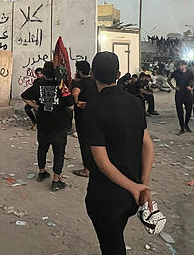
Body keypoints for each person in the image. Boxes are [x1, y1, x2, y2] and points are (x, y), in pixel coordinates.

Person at [81, 51, 156, 255]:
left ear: (93, 74)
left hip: (107, 196)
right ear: (118, 74)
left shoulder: (93, 109)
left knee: (112, 247)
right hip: (130, 196)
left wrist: (135, 187)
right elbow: (148, 145)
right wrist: (142, 184)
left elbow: (102, 162)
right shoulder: (136, 102)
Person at [21, 61, 75, 192]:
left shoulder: (38, 85)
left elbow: (24, 96)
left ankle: (42, 172)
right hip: (58, 125)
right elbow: (70, 105)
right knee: (59, 152)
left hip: (43, 123)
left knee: (42, 148)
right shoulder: (62, 87)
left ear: (44, 73)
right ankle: (56, 180)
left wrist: (36, 106)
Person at [71, 60, 98, 178]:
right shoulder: (95, 83)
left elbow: (75, 93)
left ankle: (87, 169)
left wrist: (77, 103)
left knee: (84, 143)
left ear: (80, 71)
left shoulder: (80, 84)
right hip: (95, 115)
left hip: (83, 117)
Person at [168, 60, 194, 135]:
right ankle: (182, 127)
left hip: (187, 93)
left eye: (181, 65)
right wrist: (174, 87)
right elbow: (168, 80)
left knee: (189, 109)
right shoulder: (176, 72)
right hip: (179, 93)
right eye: (179, 65)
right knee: (179, 111)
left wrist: (192, 88)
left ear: (185, 65)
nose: (180, 67)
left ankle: (186, 124)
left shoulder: (189, 73)